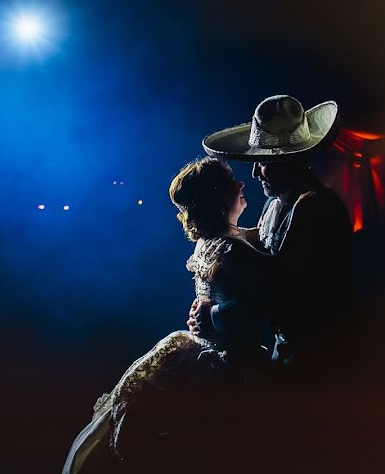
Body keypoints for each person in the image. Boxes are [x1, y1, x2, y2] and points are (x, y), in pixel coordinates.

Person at [63, 157, 274, 474]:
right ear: (216, 197)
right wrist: (217, 314)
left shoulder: (215, 240)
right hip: (225, 360)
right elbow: (273, 289)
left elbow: (252, 238)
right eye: (231, 180)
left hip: (199, 347)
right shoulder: (230, 249)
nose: (242, 183)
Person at [190, 95, 355, 378]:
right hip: (285, 354)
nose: (254, 173)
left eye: (263, 162)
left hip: (318, 362)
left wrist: (215, 315)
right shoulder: (274, 204)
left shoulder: (316, 207)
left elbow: (285, 292)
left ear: (292, 161)